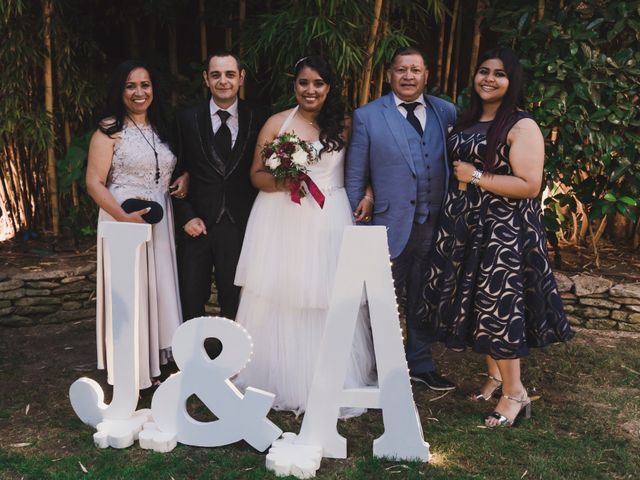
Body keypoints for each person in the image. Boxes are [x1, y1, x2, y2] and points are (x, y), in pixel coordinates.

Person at [420, 46, 574, 427]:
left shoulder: (521, 125)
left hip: (503, 231)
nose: (489, 78)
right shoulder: (469, 119)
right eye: (483, 71)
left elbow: (529, 185)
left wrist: (474, 176)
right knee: (477, 306)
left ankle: (515, 393)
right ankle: (493, 377)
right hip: (467, 227)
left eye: (499, 74)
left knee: (499, 308)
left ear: (512, 81)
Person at [233, 56, 376, 415]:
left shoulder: (345, 124)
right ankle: (278, 378)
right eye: (303, 83)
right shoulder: (277, 123)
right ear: (294, 85)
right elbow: (256, 176)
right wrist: (286, 180)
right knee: (281, 294)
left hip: (330, 216)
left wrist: (370, 195)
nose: (310, 90)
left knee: (327, 295)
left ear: (328, 88)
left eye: (318, 84)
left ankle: (330, 379)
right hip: (282, 217)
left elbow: (365, 165)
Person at [345, 46, 457, 392]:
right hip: (387, 225)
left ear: (426, 75)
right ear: (389, 75)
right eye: (401, 70)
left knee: (425, 298)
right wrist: (359, 219)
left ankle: (422, 366)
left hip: (435, 223)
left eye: (415, 70)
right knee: (383, 300)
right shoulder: (368, 115)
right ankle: (385, 370)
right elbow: (354, 176)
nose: (408, 76)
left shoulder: (447, 112)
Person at [86, 60, 187, 389]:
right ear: (121, 90)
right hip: (122, 220)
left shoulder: (162, 127)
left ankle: (156, 363)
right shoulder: (109, 129)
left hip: (160, 219)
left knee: (155, 287)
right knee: (129, 291)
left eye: (145, 85)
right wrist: (122, 217)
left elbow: (171, 166)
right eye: (131, 86)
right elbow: (94, 183)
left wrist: (182, 178)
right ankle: (130, 367)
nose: (139, 92)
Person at [172, 52, 270, 323]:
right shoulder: (186, 119)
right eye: (216, 75)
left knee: (236, 299)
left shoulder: (260, 117)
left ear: (241, 77)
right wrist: (186, 215)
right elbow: (173, 172)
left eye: (229, 74)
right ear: (206, 79)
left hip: (241, 223)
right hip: (197, 224)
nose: (223, 81)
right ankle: (193, 359)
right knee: (191, 296)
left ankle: (236, 361)